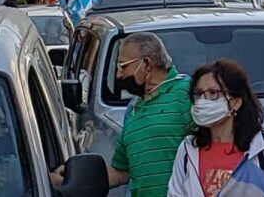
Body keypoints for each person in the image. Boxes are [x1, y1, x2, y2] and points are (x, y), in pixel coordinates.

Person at [53, 32, 193, 196]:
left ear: (147, 64)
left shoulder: (187, 94)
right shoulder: (133, 109)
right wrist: (72, 179)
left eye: (123, 66)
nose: (119, 75)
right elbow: (122, 171)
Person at [168, 60, 264, 196]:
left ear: (235, 102)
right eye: (198, 94)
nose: (203, 101)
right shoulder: (188, 150)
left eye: (213, 93)